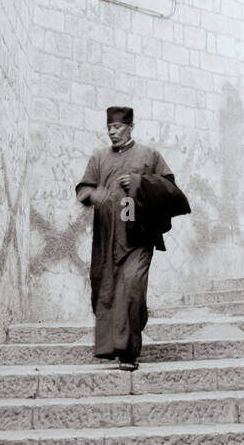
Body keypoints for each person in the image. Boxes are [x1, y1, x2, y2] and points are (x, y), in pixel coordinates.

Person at [75, 106, 180, 370]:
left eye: (118, 128)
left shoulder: (149, 155)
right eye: (109, 128)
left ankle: (128, 353)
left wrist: (139, 182)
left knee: (132, 286)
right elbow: (83, 189)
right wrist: (93, 195)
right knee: (107, 290)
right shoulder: (98, 158)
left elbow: (170, 188)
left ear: (130, 127)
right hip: (106, 238)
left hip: (138, 235)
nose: (113, 132)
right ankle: (122, 336)